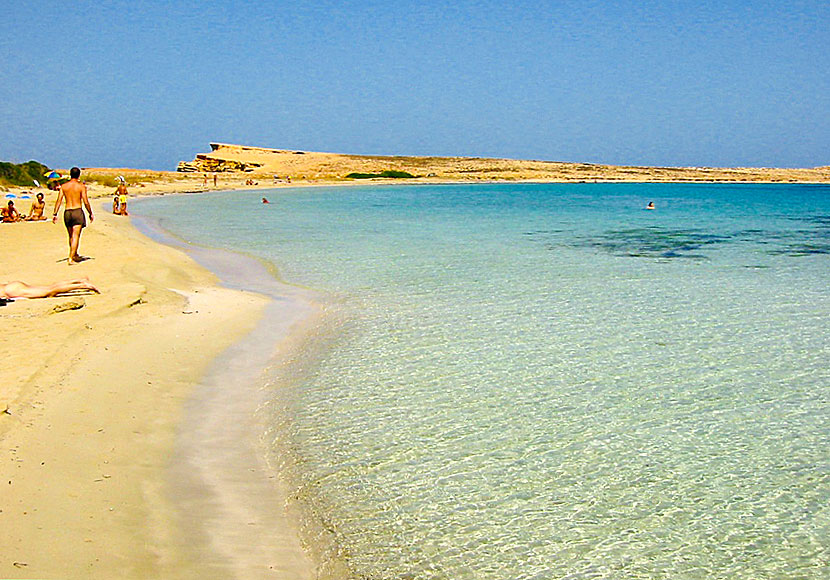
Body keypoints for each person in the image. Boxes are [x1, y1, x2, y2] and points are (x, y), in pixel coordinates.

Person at [52, 167, 94, 265]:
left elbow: (59, 200)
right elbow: (85, 201)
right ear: (79, 175)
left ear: (70, 174)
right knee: (76, 235)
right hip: (77, 211)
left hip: (67, 211)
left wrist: (55, 213)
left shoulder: (64, 186)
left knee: (70, 235)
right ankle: (70, 258)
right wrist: (90, 213)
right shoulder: (81, 186)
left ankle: (74, 254)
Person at [1, 277, 100, 299]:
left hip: (12, 291)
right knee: (50, 287)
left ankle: (82, 285)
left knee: (50, 291)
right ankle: (79, 280)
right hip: (12, 286)